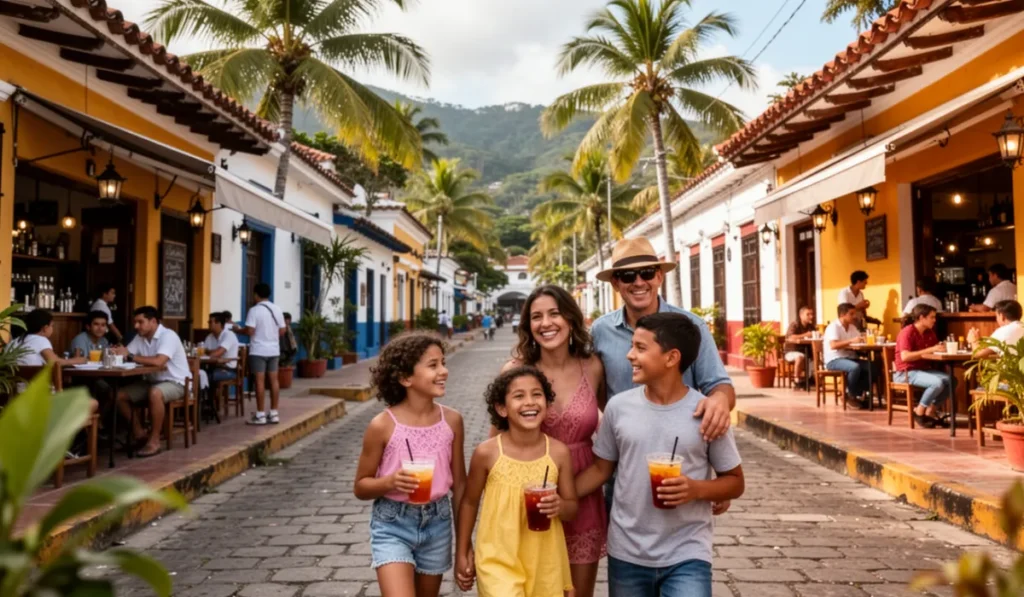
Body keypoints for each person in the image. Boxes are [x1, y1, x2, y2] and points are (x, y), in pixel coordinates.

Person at [576, 313, 744, 596]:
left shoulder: (705, 413)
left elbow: (735, 481)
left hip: (687, 551)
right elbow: (600, 470)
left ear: (671, 358)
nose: (629, 355)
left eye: (640, 348)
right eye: (631, 346)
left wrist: (696, 489)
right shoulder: (618, 408)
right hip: (627, 551)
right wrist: (562, 495)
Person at [590, 238, 734, 515]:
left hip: (681, 465)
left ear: (659, 276)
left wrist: (718, 402)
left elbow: (720, 386)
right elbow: (592, 390)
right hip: (623, 463)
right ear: (616, 284)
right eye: (628, 276)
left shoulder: (691, 327)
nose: (638, 282)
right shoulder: (600, 331)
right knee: (622, 541)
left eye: (646, 273)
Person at [499, 285, 606, 597]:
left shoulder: (594, 367)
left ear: (570, 319)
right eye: (536, 317)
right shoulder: (516, 371)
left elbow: (612, 431)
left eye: (554, 313)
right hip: (529, 499)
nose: (546, 323)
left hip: (583, 495)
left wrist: (567, 497)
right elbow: (496, 447)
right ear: (528, 326)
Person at [353, 333, 467, 597]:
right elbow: (360, 487)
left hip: (438, 524)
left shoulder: (452, 421)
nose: (444, 371)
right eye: (433, 365)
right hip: (392, 523)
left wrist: (464, 546)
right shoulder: (382, 425)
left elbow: (460, 486)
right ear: (405, 378)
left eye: (443, 362)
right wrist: (390, 482)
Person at [456, 366, 576, 596]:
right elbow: (469, 502)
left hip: (546, 561)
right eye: (519, 396)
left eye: (537, 394)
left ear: (548, 404)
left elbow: (571, 508)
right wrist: (462, 552)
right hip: (498, 560)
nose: (530, 402)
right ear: (502, 408)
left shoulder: (559, 453)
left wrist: (560, 505)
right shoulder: (487, 453)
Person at [110, 306, 192, 458]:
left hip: (176, 382)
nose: (136, 326)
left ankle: (154, 441)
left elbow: (159, 362)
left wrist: (130, 356)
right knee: (118, 396)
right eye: (135, 322)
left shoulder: (168, 336)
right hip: (152, 381)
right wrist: (116, 352)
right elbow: (126, 354)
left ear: (153, 321)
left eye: (140, 322)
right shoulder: (140, 337)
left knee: (155, 393)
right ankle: (140, 435)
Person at [893, 304, 951, 428]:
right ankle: (919, 412)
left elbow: (934, 350)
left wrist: (943, 348)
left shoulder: (929, 333)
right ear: (921, 318)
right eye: (932, 317)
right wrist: (931, 349)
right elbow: (905, 357)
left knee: (951, 380)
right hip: (906, 372)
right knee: (936, 383)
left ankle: (930, 410)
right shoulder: (907, 332)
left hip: (923, 370)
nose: (934, 320)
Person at [243, 283, 285, 426]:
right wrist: (272, 338)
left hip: (258, 350)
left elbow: (249, 331)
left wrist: (238, 330)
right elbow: (283, 330)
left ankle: (260, 414)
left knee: (259, 381)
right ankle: (274, 413)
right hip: (274, 350)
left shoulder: (254, 311)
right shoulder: (277, 309)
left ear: (256, 294)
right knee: (274, 380)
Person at [823, 303, 877, 408]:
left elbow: (859, 339)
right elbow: (833, 345)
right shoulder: (833, 327)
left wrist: (864, 339)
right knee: (854, 368)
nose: (855, 316)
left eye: (854, 314)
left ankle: (857, 393)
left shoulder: (852, 327)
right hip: (834, 359)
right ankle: (850, 395)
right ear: (842, 315)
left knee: (872, 367)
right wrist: (851, 341)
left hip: (850, 357)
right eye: (851, 314)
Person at [12, 309, 86, 367]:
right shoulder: (40, 340)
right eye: (52, 326)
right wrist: (77, 361)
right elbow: (55, 362)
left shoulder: (14, 342)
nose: (52, 328)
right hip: (35, 385)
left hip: (12, 386)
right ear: (45, 328)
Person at [783, 306, 816, 389]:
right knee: (800, 356)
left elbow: (815, 335)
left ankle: (809, 379)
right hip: (791, 351)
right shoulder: (795, 325)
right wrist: (806, 335)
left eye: (812, 314)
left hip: (806, 350)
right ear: (801, 315)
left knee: (815, 357)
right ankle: (797, 380)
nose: (811, 316)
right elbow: (791, 337)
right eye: (808, 314)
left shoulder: (811, 326)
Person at [203, 311, 239, 384]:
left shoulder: (229, 335)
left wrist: (209, 352)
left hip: (227, 369)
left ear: (218, 324)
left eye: (210, 322)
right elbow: (203, 352)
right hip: (213, 367)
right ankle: (203, 395)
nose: (208, 324)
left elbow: (217, 353)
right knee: (198, 374)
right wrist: (208, 352)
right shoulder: (210, 337)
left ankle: (208, 395)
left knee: (206, 376)